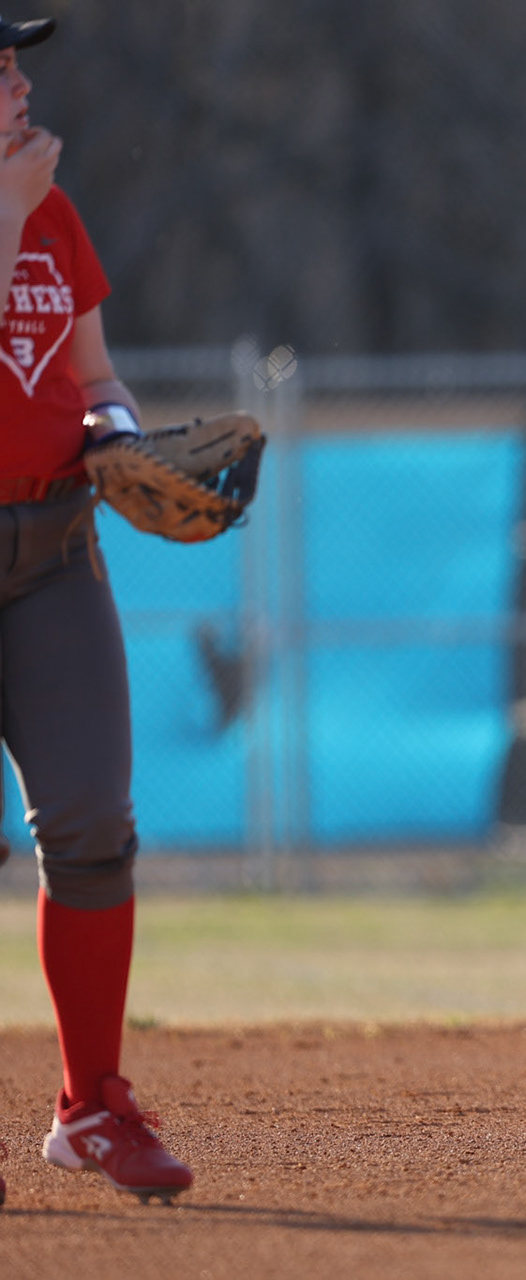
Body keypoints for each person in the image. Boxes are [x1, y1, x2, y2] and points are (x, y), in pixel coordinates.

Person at [0, 13, 192, 1201]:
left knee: (88, 828)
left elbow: (92, 371)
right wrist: (10, 209)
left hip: (53, 549)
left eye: (16, 58)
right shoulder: (31, 202)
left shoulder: (55, 212)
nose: (17, 76)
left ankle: (89, 1105)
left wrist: (121, 437)